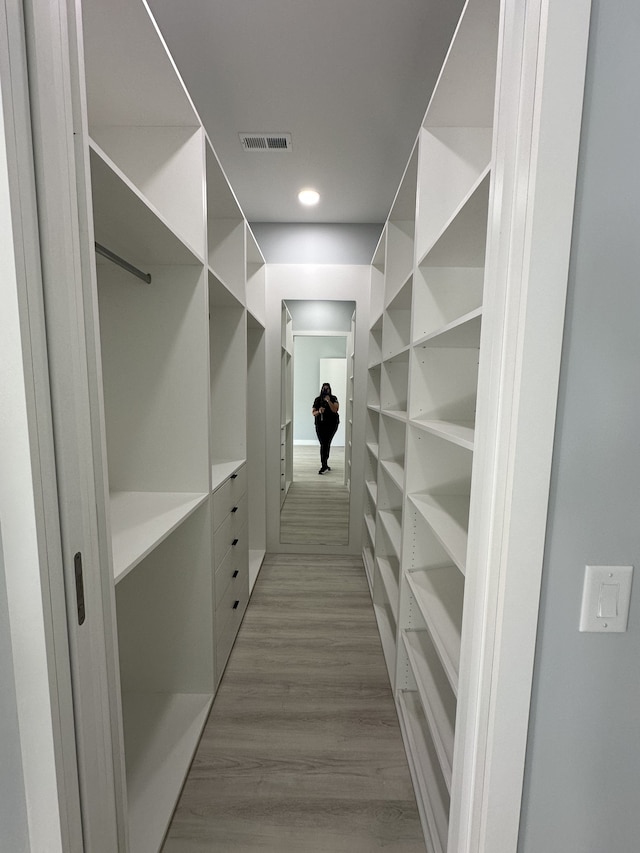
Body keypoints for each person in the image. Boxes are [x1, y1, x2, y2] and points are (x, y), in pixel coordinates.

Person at [312, 382, 340, 475]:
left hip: (332, 425)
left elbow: (335, 409)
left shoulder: (333, 398)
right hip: (320, 425)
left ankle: (324, 465)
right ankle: (324, 464)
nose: (325, 390)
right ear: (321, 389)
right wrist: (319, 411)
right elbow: (313, 412)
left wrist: (328, 401)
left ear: (330, 389)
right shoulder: (317, 400)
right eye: (324, 388)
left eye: (327, 389)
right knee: (323, 444)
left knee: (326, 443)